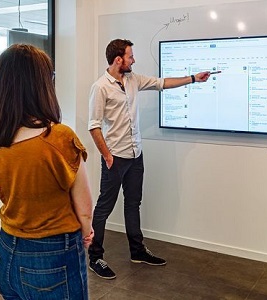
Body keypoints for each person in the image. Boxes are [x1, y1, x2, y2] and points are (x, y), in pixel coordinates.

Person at [87, 38, 211, 279]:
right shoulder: (100, 87)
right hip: (115, 157)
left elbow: (162, 83)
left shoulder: (133, 79)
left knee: (133, 204)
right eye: (130, 56)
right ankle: (95, 257)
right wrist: (107, 156)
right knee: (104, 208)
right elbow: (94, 126)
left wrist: (194, 78)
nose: (134, 60)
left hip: (135, 155)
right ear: (118, 59)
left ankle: (137, 251)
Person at [0, 44, 94, 300]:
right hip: (53, 254)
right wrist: (87, 232)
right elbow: (84, 207)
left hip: (6, 250)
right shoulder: (59, 138)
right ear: (41, 84)